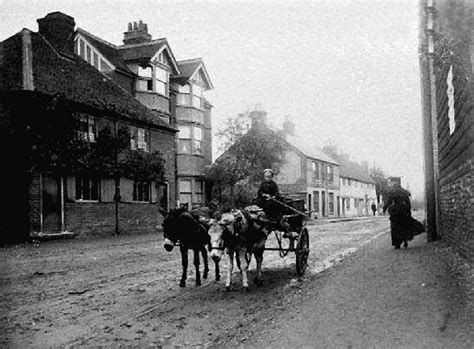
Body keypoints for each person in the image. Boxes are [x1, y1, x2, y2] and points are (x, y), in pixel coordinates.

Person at [256, 169, 294, 238]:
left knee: (272, 204)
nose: (268, 178)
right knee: (257, 204)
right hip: (264, 200)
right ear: (264, 177)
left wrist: (273, 197)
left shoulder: (274, 184)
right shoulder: (262, 184)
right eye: (266, 177)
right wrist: (264, 195)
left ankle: (273, 218)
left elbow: (277, 193)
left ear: (271, 177)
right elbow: (259, 192)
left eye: (269, 177)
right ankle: (261, 217)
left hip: (272, 200)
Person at [383, 181, 413, 249]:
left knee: (395, 228)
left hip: (396, 212)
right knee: (404, 226)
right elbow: (408, 203)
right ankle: (405, 240)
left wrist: (384, 209)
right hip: (403, 211)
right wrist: (408, 210)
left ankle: (397, 244)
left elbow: (388, 202)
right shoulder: (404, 192)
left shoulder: (393, 193)